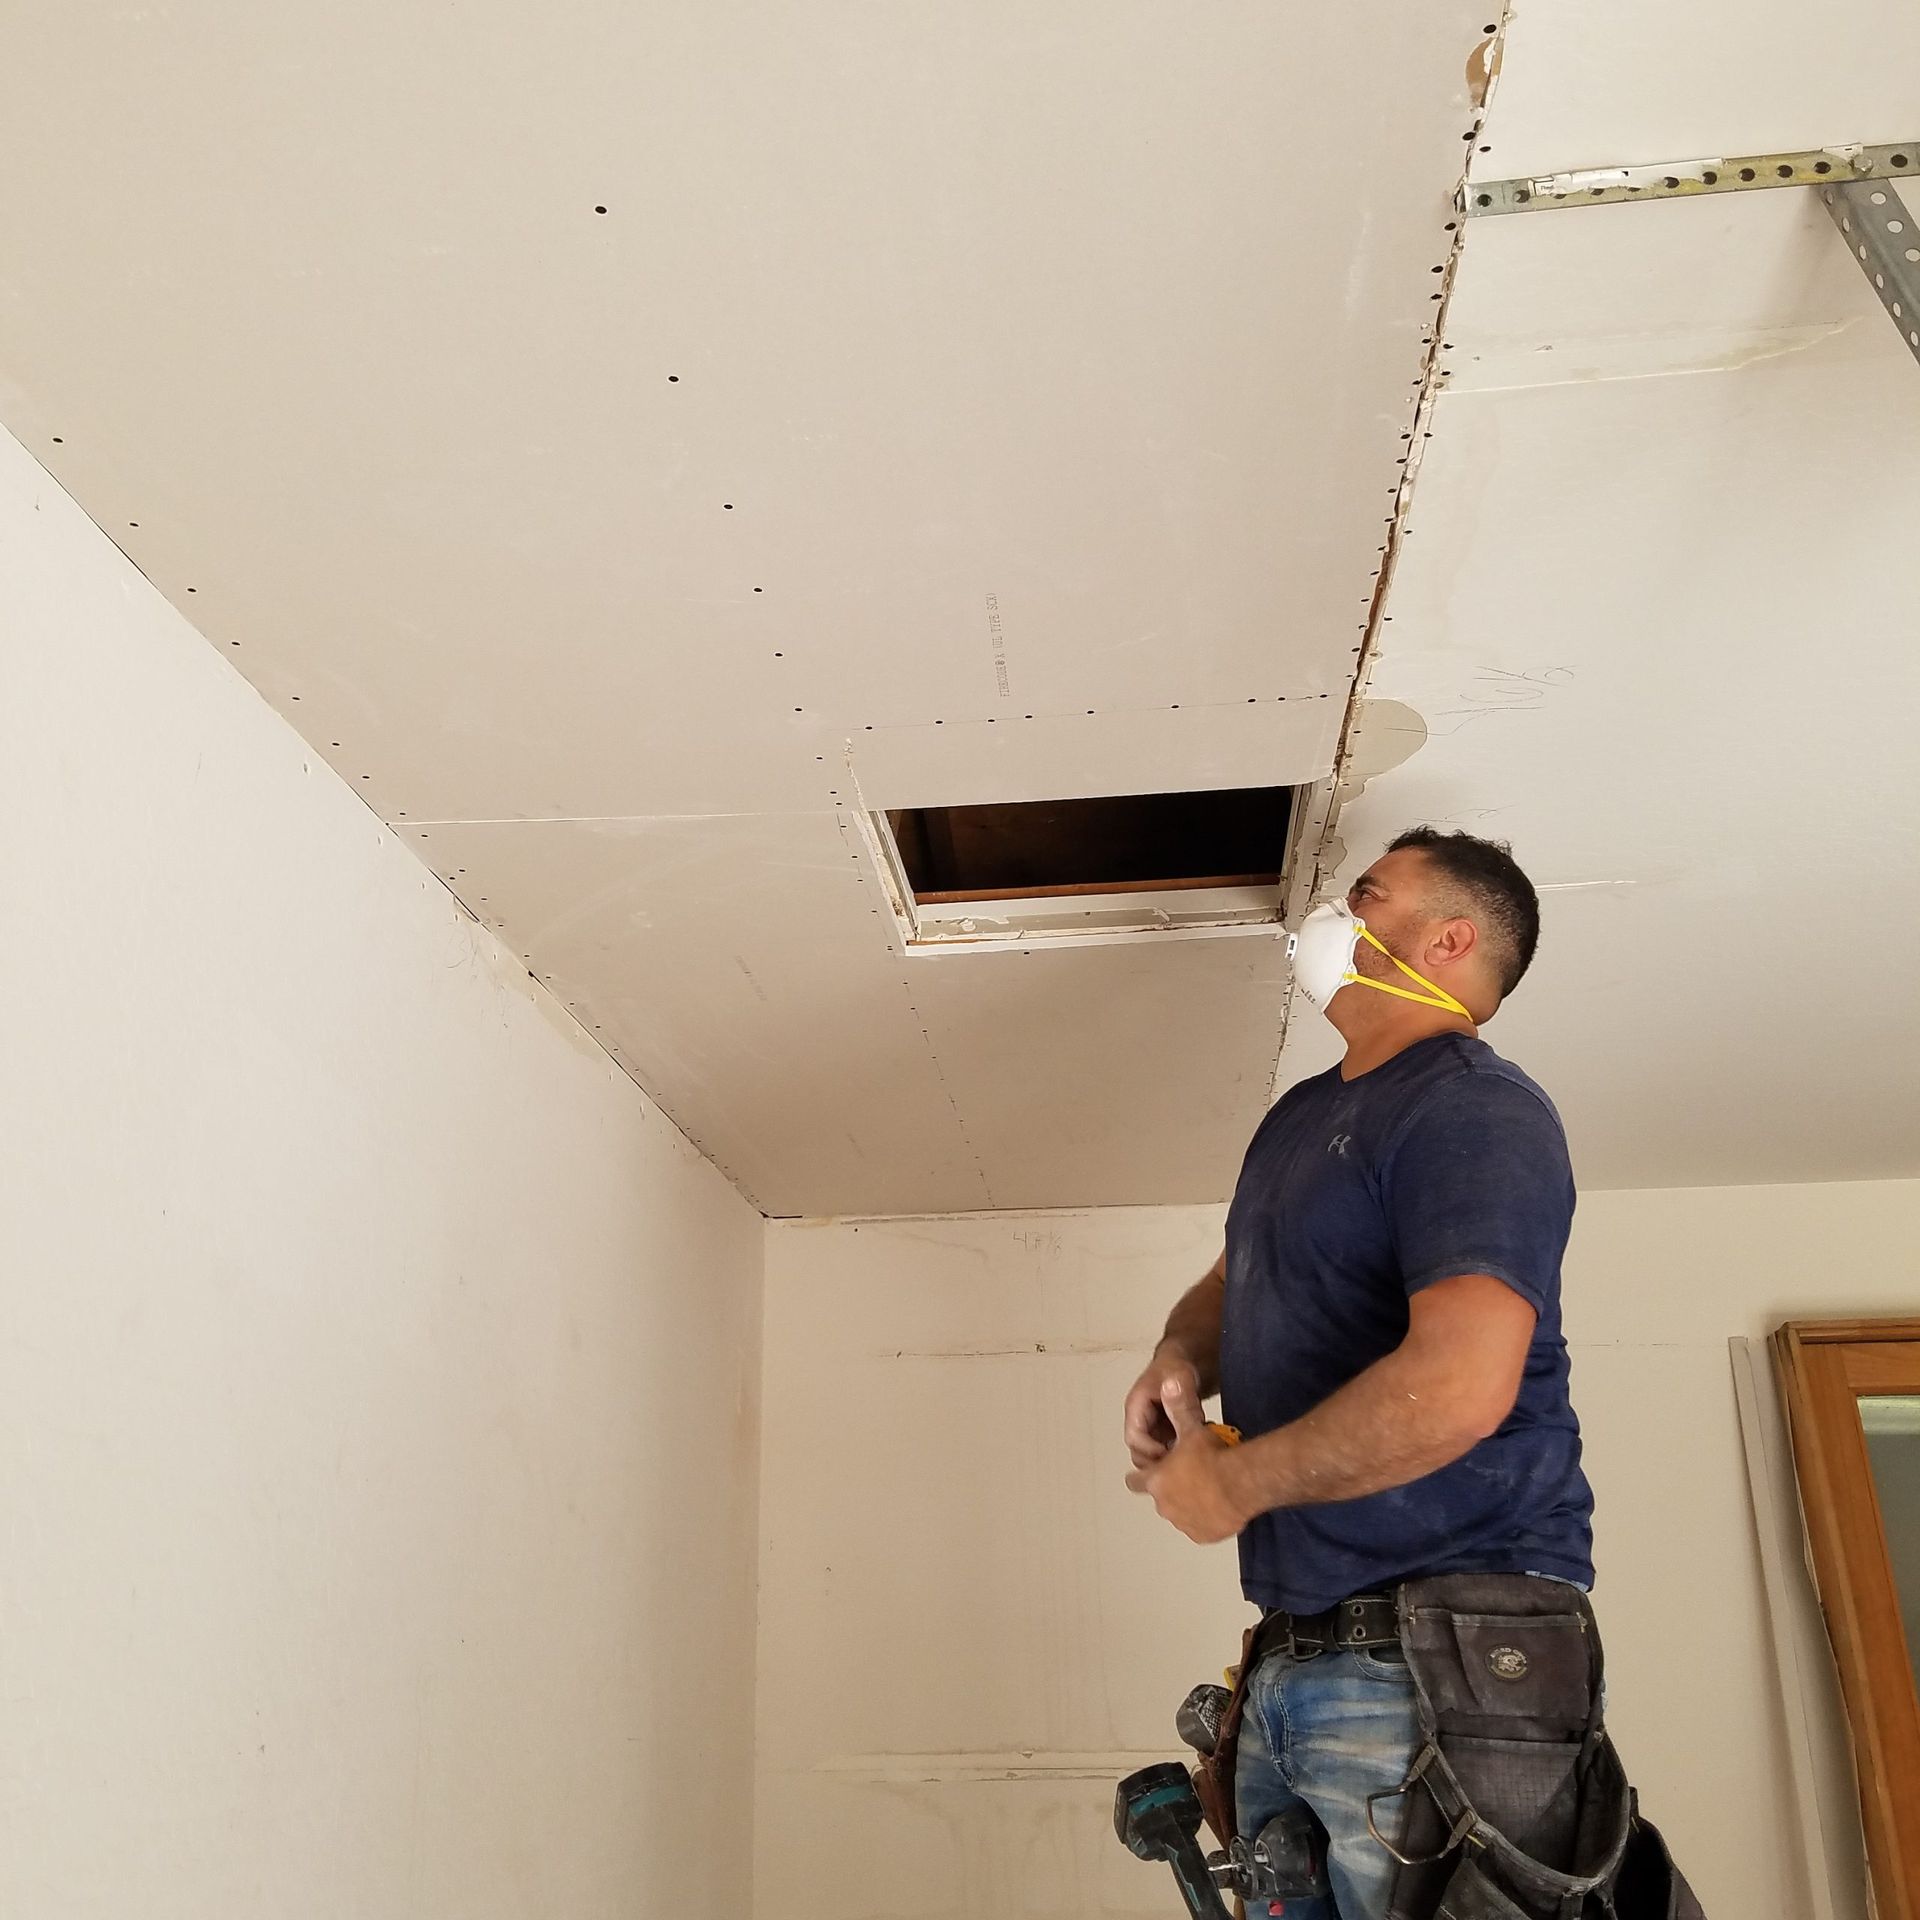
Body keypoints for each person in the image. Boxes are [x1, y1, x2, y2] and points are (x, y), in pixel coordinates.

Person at [1123, 828, 1594, 1920]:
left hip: (1444, 1658)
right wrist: (1182, 1356)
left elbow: (1464, 1385)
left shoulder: (1476, 1109)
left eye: (1365, 895)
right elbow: (1239, 1271)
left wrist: (1234, 1485)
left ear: (1450, 939)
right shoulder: (1304, 1116)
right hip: (1302, 1654)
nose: (1333, 917)